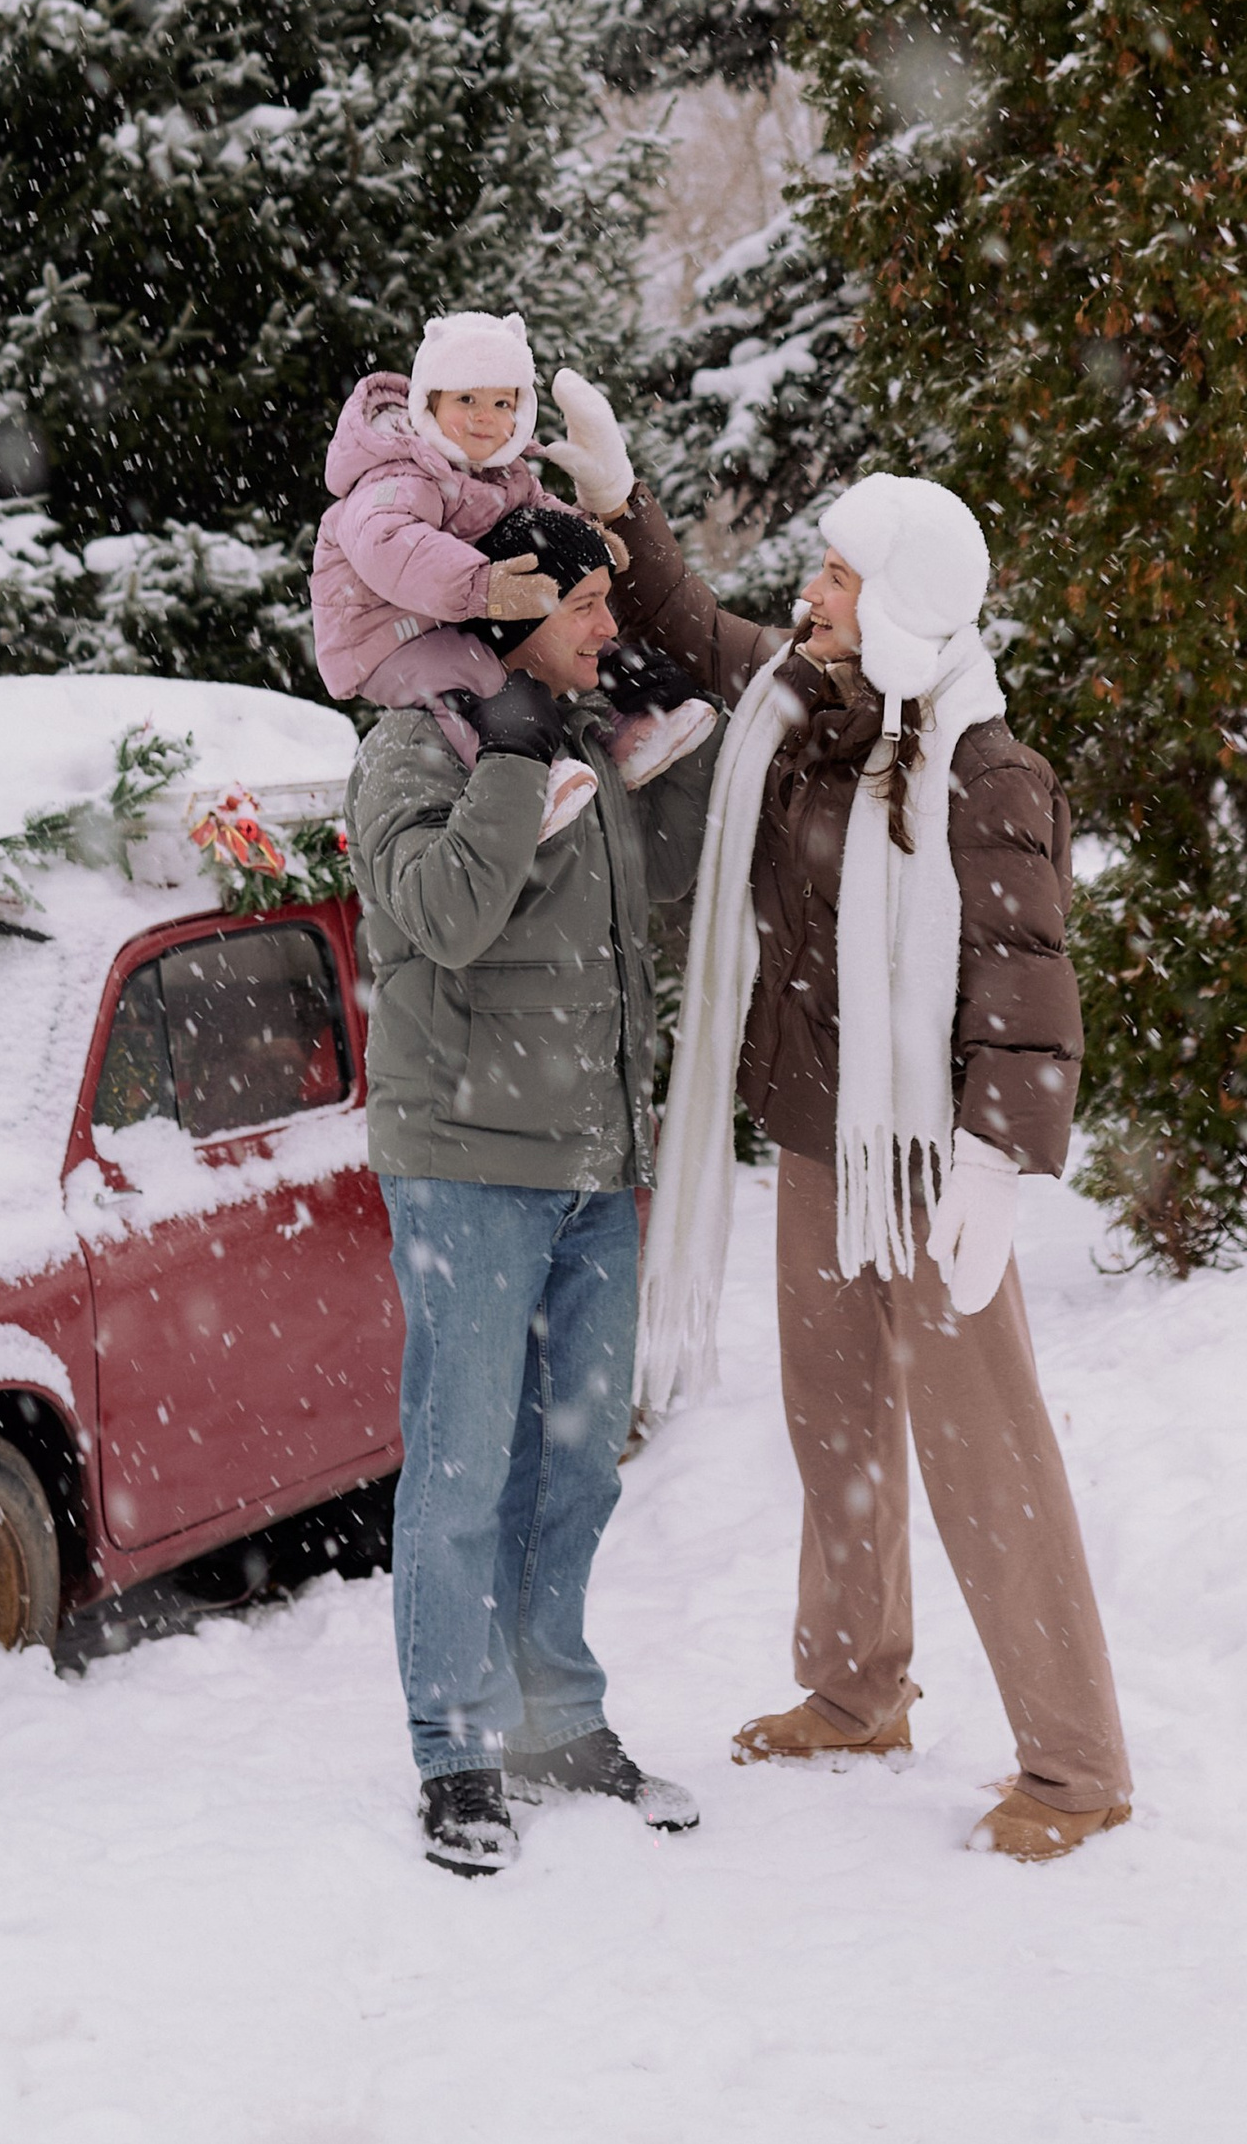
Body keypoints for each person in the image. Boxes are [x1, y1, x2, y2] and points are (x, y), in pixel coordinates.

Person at [541, 377, 1131, 1867]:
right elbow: (687, 624)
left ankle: (1075, 1762)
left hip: (936, 1161)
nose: (810, 595)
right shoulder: (815, 719)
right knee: (836, 1422)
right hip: (822, 1131)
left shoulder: (985, 776)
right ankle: (857, 1688)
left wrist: (1000, 1157)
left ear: (910, 603)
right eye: (819, 570)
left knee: (982, 1448)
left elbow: (1027, 988)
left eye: (840, 576)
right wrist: (621, 508)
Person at [344, 493, 718, 1877]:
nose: (608, 628)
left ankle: (559, 1718)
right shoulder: (411, 747)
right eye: (585, 608)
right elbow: (438, 917)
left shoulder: (580, 732)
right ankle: (455, 1745)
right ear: (510, 615)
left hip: (587, 1161)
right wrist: (505, 765)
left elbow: (656, 889)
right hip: (468, 1161)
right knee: (460, 1465)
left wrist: (672, 748)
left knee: (572, 1458)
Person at [312, 317, 714, 800]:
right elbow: (391, 547)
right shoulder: (399, 473)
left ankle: (625, 731)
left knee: (579, 648)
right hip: (382, 639)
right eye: (466, 400)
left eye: (501, 402)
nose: (485, 417)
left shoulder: (501, 472)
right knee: (480, 674)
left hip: (447, 616)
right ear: (428, 403)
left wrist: (592, 537)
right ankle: (519, 782)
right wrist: (483, 586)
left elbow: (539, 506)